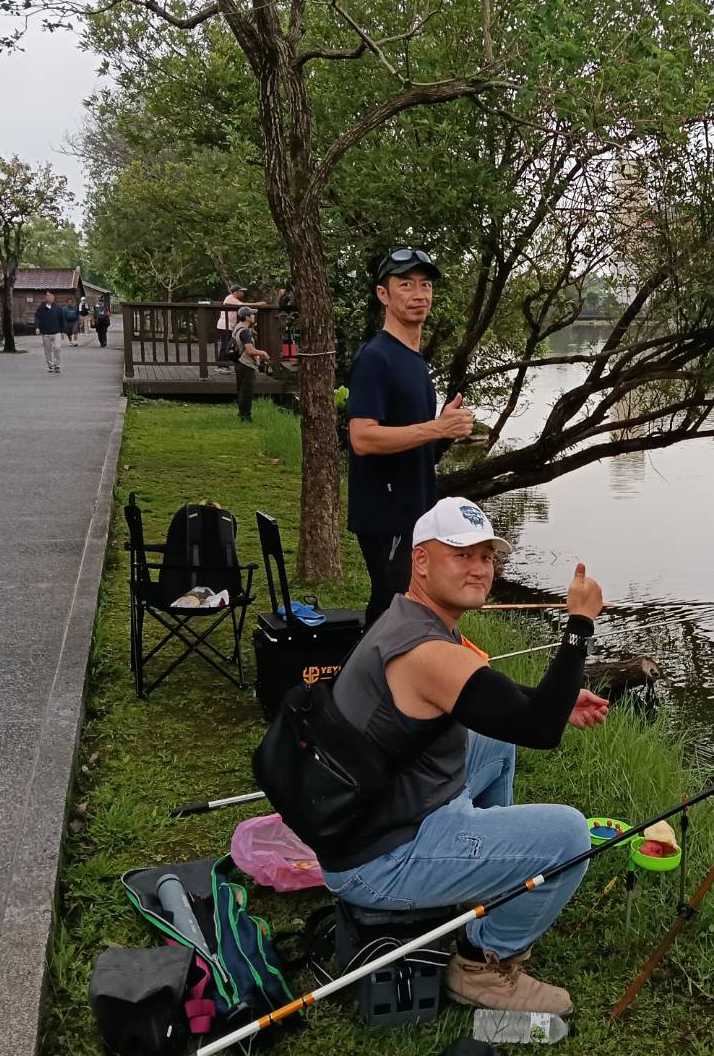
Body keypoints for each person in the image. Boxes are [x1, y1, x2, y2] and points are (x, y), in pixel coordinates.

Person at [323, 497, 610, 1015]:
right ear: (421, 560)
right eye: (461, 555)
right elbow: (539, 728)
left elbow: (487, 700)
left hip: (379, 814)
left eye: (486, 556)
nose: (479, 569)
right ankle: (482, 964)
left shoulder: (409, 617)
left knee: (495, 738)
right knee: (570, 835)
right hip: (379, 860)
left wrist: (556, 700)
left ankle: (494, 882)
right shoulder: (424, 650)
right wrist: (579, 625)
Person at [347, 247, 475, 628]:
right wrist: (437, 428)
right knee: (391, 612)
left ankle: (381, 667)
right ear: (383, 294)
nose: (419, 294)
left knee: (405, 611)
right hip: (386, 516)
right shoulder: (376, 358)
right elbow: (362, 437)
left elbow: (414, 446)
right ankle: (365, 669)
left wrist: (445, 430)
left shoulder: (414, 361)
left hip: (415, 513)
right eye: (406, 285)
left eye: (425, 285)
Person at [233, 306, 269, 421]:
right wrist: (263, 353)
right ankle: (246, 416)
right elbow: (250, 351)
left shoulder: (237, 327)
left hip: (239, 362)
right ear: (247, 317)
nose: (253, 316)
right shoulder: (245, 332)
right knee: (247, 392)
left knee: (241, 390)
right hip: (246, 364)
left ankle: (241, 413)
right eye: (252, 314)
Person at [216, 284, 245, 371]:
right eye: (241, 291)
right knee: (226, 345)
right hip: (225, 325)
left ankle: (224, 364)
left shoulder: (233, 299)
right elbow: (244, 305)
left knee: (227, 344)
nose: (242, 293)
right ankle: (222, 365)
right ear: (236, 292)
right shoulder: (231, 298)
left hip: (228, 326)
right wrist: (258, 304)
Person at [34, 291, 63, 373]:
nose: (49, 297)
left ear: (53, 297)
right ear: (45, 297)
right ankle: (50, 365)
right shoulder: (41, 308)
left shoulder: (58, 308)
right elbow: (37, 318)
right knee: (47, 350)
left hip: (57, 332)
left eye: (50, 295)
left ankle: (57, 365)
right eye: (47, 295)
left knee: (57, 348)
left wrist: (63, 331)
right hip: (46, 332)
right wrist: (37, 327)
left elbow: (62, 319)